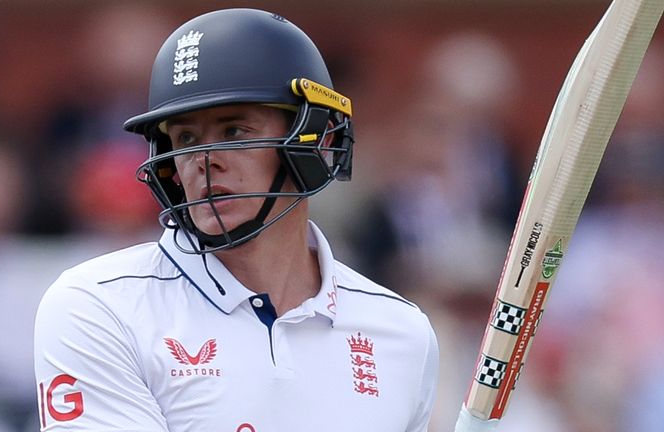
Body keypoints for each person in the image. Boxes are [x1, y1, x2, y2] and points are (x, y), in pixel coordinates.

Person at [34, 8, 438, 431]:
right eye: (186, 137)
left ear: (321, 139)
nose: (203, 162)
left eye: (234, 132)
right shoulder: (97, 305)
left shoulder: (403, 333)